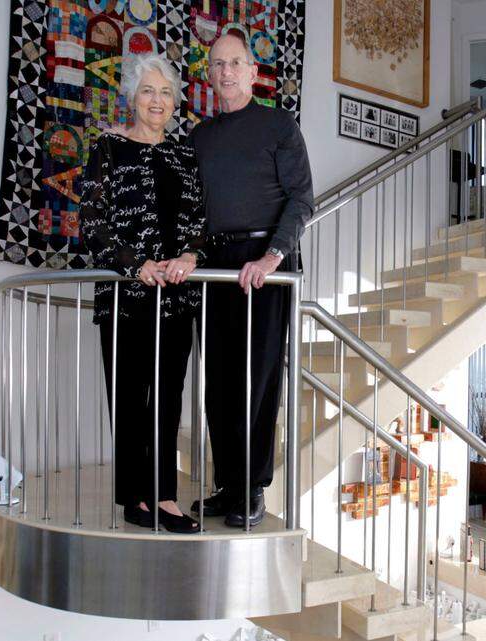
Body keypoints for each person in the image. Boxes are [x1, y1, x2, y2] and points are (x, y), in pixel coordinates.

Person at [188, 31, 314, 527]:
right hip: (215, 265)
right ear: (210, 74)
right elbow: (193, 208)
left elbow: (301, 198)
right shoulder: (201, 135)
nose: (226, 72)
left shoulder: (279, 124)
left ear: (253, 71)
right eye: (217, 64)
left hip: (265, 265)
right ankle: (227, 485)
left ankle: (253, 488)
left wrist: (272, 257)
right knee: (218, 380)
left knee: (257, 379)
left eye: (235, 63)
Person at [80, 53, 203, 534]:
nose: (157, 100)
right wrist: (136, 265)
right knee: (129, 397)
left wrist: (189, 257)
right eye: (148, 91)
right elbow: (91, 222)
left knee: (168, 398)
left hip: (176, 299)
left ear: (174, 103)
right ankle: (135, 498)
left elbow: (198, 222)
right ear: (132, 97)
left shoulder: (185, 156)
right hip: (125, 299)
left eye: (166, 92)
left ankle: (166, 495)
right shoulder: (107, 148)